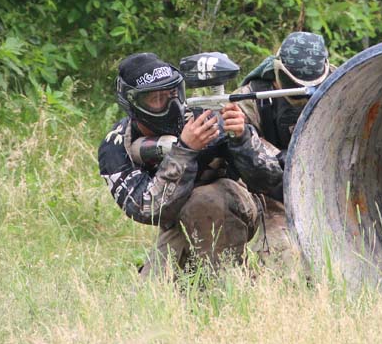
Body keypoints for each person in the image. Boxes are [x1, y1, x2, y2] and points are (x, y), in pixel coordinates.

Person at [98, 52, 283, 276]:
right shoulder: (117, 146)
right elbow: (148, 210)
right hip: (178, 221)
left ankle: (229, 279)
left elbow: (271, 179)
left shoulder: (204, 118)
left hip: (236, 207)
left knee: (205, 199)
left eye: (172, 93)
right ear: (133, 103)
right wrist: (185, 151)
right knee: (155, 289)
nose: (171, 105)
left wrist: (242, 138)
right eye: (156, 99)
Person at [237, 31, 332, 264]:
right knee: (282, 259)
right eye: (293, 84)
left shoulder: (342, 86)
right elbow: (240, 149)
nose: (302, 93)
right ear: (277, 70)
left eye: (312, 86)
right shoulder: (252, 97)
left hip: (328, 192)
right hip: (273, 197)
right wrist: (278, 156)